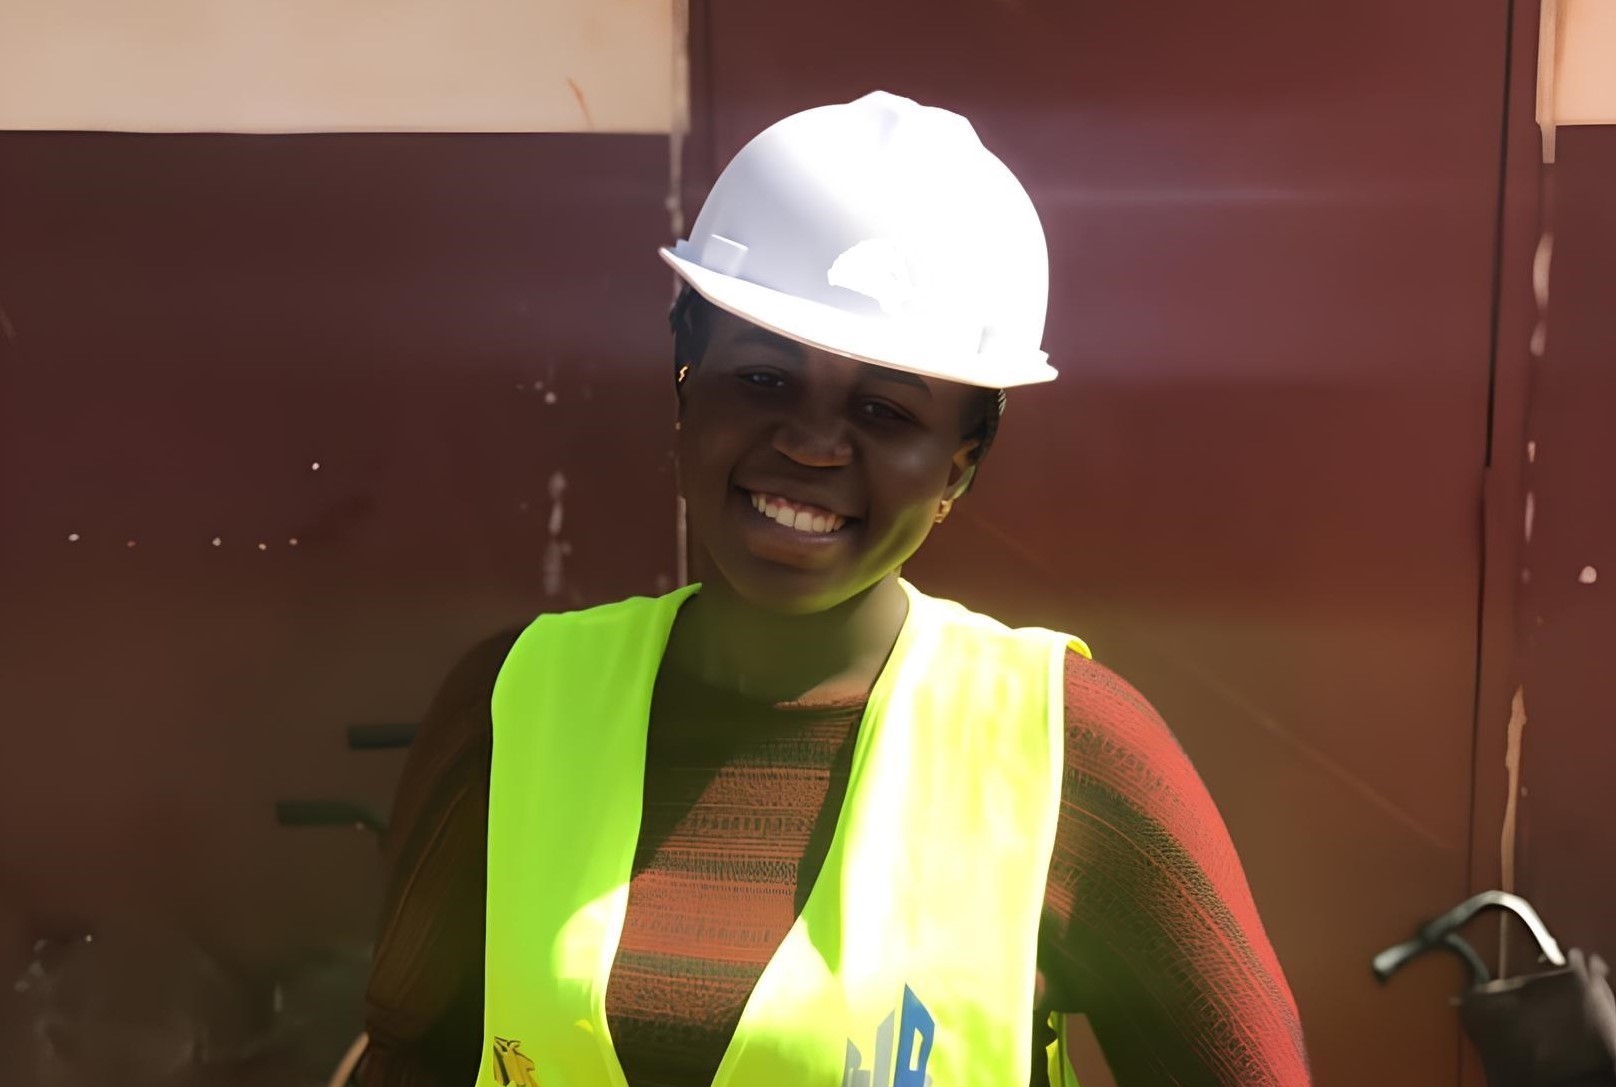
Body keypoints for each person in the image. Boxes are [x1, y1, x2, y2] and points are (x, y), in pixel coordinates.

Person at [359, 92, 1311, 1087]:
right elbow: (409, 1058)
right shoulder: (513, 705)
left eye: (884, 409)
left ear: (958, 466)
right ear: (685, 382)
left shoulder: (1067, 751)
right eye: (764, 379)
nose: (812, 444)